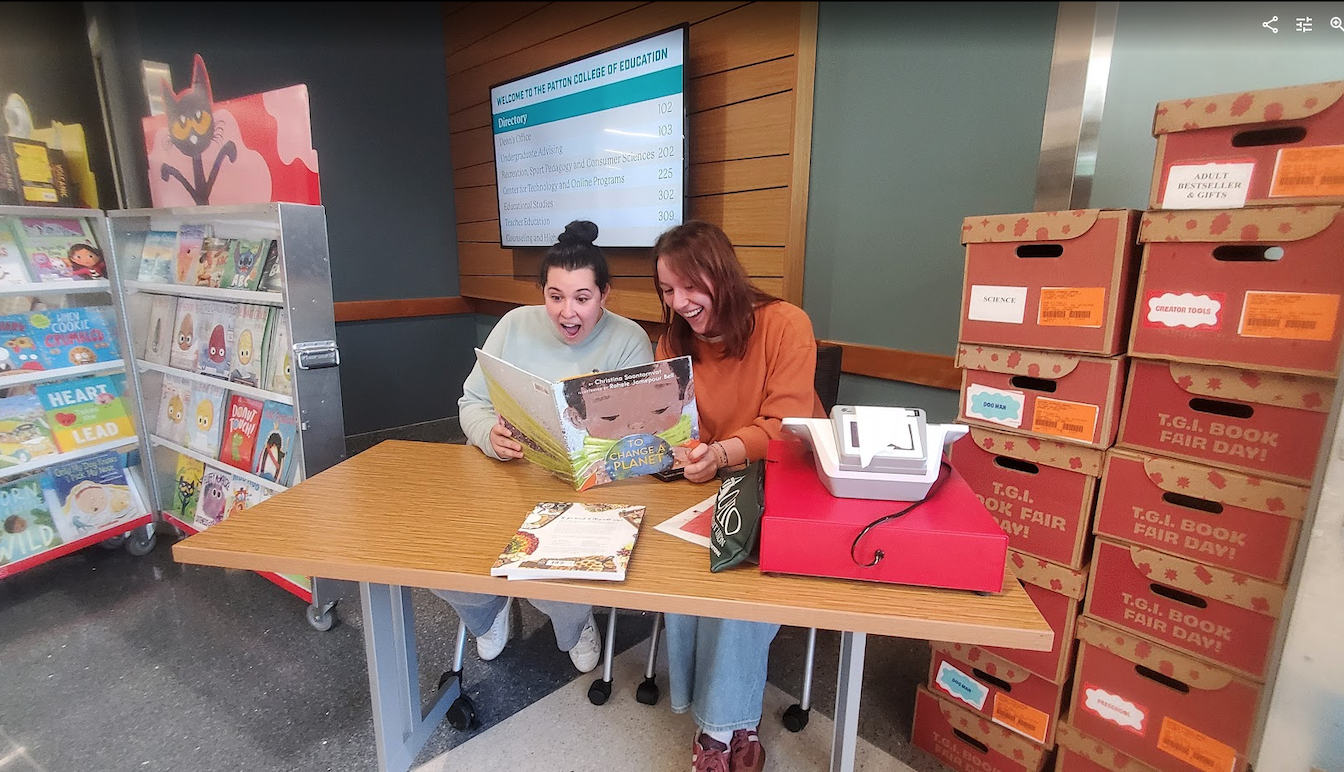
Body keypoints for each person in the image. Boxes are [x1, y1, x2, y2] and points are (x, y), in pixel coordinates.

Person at [436, 220, 654, 672]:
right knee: (441, 557)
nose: (567, 312)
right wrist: (487, 436)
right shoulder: (514, 326)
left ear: (605, 295)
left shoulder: (629, 340)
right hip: (510, 476)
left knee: (546, 570)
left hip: (587, 491)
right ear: (542, 292)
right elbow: (471, 402)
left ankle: (574, 623)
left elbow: (638, 436)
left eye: (582, 298)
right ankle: (486, 613)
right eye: (555, 297)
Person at [652, 220, 824, 772]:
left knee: (741, 568)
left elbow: (788, 423)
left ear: (722, 273)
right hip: (715, 477)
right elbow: (673, 424)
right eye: (666, 290)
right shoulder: (673, 342)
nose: (678, 303)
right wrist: (685, 450)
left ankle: (716, 732)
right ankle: (735, 723)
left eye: (688, 286)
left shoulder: (786, 324)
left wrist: (722, 453)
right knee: (686, 564)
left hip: (790, 472)